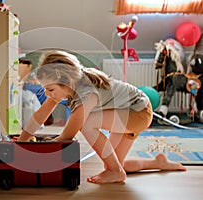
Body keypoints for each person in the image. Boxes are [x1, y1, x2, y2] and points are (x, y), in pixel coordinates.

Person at [18, 50, 187, 184]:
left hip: (138, 112)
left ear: (66, 82)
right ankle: (158, 163)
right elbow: (41, 114)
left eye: (50, 89)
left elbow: (68, 134)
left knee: (87, 123)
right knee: (114, 163)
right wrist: (22, 140)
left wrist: (48, 147)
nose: (48, 94)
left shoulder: (86, 92)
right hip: (124, 111)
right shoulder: (70, 83)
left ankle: (115, 172)